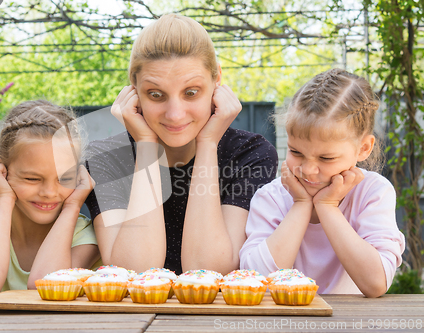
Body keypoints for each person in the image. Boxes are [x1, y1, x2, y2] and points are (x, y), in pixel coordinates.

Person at [84, 14, 278, 275]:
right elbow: (131, 273)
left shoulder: (250, 154)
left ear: (217, 78)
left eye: (191, 92)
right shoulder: (104, 157)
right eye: (156, 95)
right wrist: (146, 144)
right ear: (134, 88)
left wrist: (208, 144)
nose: (175, 114)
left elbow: (209, 272)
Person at [239, 68, 405, 297]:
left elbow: (376, 283)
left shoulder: (373, 192)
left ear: (363, 148)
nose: (308, 169)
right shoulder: (271, 197)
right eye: (296, 152)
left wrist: (327, 207)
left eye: (326, 158)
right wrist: (300, 204)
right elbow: (256, 281)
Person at [0, 100, 100, 293]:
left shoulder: (85, 234)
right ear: (2, 170)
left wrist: (73, 206)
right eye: (32, 179)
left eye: (65, 178)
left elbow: (46, 285)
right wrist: (4, 199)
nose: (49, 193)